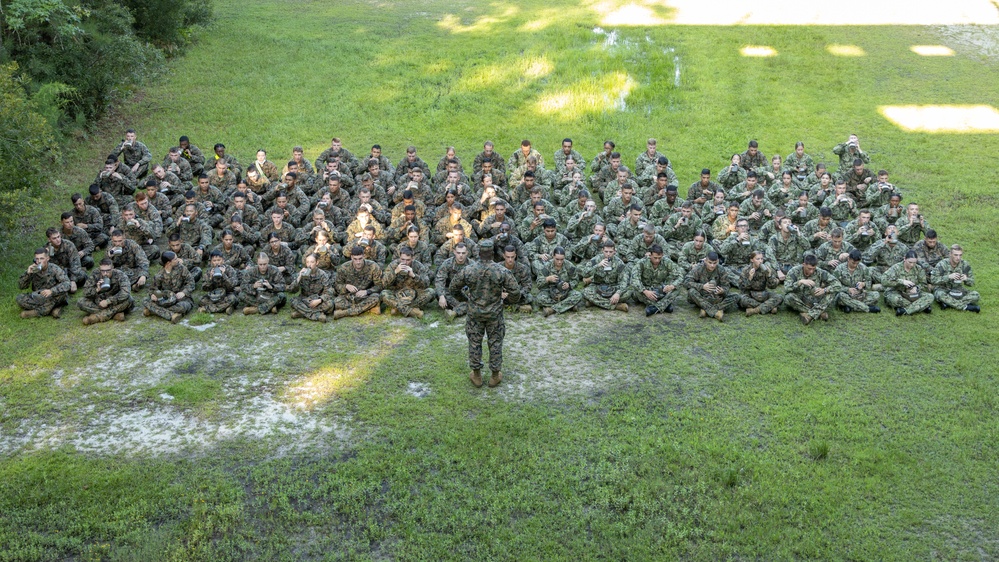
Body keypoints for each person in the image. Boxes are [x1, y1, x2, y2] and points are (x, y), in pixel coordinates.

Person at [448, 244, 522, 388]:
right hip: (495, 313)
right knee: (495, 342)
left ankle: (476, 375)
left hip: (475, 313)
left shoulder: (469, 270)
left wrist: (466, 299)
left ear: (478, 253)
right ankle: (495, 376)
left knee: (475, 342)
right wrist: (505, 301)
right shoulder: (501, 270)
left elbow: (453, 288)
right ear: (493, 253)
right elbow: (516, 292)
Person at [783, 254, 842, 325]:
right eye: (809, 268)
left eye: (813, 269)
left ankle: (808, 314)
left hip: (814, 297)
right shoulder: (794, 271)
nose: (811, 271)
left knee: (831, 293)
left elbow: (838, 285)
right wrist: (799, 282)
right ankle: (819, 313)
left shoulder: (820, 272)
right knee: (788, 297)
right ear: (804, 264)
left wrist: (824, 290)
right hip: (799, 299)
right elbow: (786, 288)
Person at [381, 246, 434, 319]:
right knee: (384, 294)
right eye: (402, 259)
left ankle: (398, 308)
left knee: (431, 292)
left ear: (413, 258)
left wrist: (414, 276)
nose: (405, 262)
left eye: (408, 260)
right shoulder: (393, 265)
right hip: (397, 293)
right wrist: (395, 272)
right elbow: (384, 284)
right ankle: (412, 311)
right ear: (400, 257)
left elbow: (426, 284)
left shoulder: (418, 265)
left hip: (414, 294)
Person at [17, 248, 71, 319]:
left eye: (42, 258)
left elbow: (67, 283)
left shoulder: (54, 268)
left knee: (61, 295)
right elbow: (21, 286)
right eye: (37, 259)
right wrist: (28, 274)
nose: (39, 261)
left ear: (47, 258)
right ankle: (53, 309)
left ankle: (35, 312)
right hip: (40, 296)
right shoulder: (34, 269)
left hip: (53, 295)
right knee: (19, 298)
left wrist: (52, 291)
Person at [631, 244, 684, 316]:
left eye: (659, 258)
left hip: (660, 289)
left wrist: (672, 286)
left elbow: (680, 275)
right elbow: (634, 279)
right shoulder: (642, 262)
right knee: (635, 291)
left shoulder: (666, 261)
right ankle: (665, 305)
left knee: (678, 286)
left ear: (662, 255)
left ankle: (655, 308)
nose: (657, 260)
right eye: (655, 258)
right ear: (650, 255)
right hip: (646, 289)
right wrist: (645, 291)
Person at [143, 251, 195, 323]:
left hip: (181, 298)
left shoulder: (182, 268)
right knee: (145, 301)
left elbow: (191, 282)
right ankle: (172, 315)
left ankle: (154, 310)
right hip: (166, 300)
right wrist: (153, 295)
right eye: (175, 259)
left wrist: (184, 292)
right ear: (168, 263)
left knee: (183, 307)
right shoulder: (159, 275)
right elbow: (153, 289)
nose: (178, 260)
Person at [684, 251, 737, 321]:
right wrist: (702, 286)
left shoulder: (721, 269)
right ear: (705, 261)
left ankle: (705, 310)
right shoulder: (699, 268)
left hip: (716, 297)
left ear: (718, 261)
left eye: (714, 263)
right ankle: (716, 312)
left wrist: (722, 291)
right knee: (691, 292)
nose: (712, 265)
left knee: (736, 296)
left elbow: (726, 286)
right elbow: (686, 282)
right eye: (710, 263)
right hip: (702, 296)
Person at [579, 240, 631, 312]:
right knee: (585, 292)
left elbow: (624, 282)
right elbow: (584, 274)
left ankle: (594, 302)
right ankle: (616, 306)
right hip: (598, 287)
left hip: (613, 287)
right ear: (602, 250)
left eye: (611, 252)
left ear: (614, 251)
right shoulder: (596, 259)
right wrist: (598, 265)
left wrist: (617, 293)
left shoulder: (619, 263)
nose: (608, 254)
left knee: (628, 293)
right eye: (606, 251)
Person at [333, 246, 383, 319]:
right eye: (355, 259)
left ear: (364, 256)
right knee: (337, 302)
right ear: (351, 257)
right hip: (349, 297)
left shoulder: (373, 266)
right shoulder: (343, 268)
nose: (358, 262)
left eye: (360, 259)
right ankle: (368, 309)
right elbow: (337, 286)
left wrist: (367, 291)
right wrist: (346, 286)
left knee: (376, 298)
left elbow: (379, 285)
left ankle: (344, 313)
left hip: (365, 297)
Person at [78, 258, 133, 324]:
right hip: (100, 302)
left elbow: (125, 292)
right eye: (102, 271)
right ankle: (114, 315)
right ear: (99, 269)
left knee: (129, 299)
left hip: (114, 302)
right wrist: (97, 290)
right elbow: (85, 292)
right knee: (80, 302)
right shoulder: (95, 274)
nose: (105, 273)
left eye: (108, 271)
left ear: (112, 268)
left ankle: (97, 317)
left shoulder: (120, 275)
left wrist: (108, 301)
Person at [535, 247, 583, 316]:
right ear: (553, 256)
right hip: (550, 292)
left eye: (562, 259)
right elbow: (538, 283)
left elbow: (575, 280)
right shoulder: (546, 266)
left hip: (565, 292)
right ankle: (569, 306)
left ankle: (551, 310)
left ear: (564, 257)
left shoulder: (569, 266)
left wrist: (569, 285)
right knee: (540, 298)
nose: (559, 262)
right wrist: (547, 279)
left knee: (578, 295)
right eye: (557, 259)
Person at [883, 250, 934, 316]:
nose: (912, 265)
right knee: (894, 299)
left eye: (914, 262)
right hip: (898, 292)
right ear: (904, 259)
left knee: (930, 296)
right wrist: (902, 281)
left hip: (913, 294)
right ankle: (921, 306)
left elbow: (924, 284)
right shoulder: (896, 268)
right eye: (910, 262)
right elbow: (884, 280)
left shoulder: (918, 269)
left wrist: (916, 288)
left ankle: (904, 311)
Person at [931, 245, 980, 313]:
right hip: (943, 289)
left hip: (958, 290)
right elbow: (933, 280)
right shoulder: (942, 264)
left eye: (960, 255)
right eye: (956, 255)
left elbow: (972, 283)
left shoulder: (965, 265)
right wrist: (948, 277)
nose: (958, 258)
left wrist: (966, 279)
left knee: (976, 295)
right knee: (940, 295)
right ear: (950, 254)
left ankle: (948, 304)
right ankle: (966, 307)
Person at [289, 253, 336, 322]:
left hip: (317, 299)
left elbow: (329, 291)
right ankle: (317, 315)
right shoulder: (303, 274)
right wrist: (299, 277)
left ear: (317, 262)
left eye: (312, 262)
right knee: (293, 301)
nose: (309, 264)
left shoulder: (322, 274)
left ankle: (301, 313)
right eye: (307, 262)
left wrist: (319, 300)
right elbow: (292, 290)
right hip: (305, 299)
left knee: (330, 304)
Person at [737, 250, 783, 316]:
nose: (760, 261)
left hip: (763, 294)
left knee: (779, 297)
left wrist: (769, 275)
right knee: (741, 299)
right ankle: (769, 307)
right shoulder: (746, 270)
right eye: (758, 259)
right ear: (752, 260)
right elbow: (742, 288)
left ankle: (754, 310)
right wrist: (750, 278)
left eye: (762, 259)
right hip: (750, 294)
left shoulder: (766, 269)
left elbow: (773, 286)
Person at [198, 250, 240, 314]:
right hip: (214, 295)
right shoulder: (209, 271)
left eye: (219, 260)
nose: (217, 263)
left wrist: (224, 275)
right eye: (214, 261)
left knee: (233, 299)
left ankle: (207, 309)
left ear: (223, 260)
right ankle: (226, 308)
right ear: (211, 262)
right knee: (201, 300)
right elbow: (205, 288)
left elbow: (232, 286)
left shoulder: (229, 269)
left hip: (227, 294)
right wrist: (210, 278)